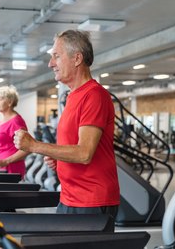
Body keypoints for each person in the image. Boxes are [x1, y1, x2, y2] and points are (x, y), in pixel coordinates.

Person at [13, 30, 120, 229]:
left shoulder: (94, 96)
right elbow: (74, 147)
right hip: (70, 196)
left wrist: (35, 146)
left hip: (91, 200)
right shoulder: (72, 96)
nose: (50, 63)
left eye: (56, 56)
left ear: (77, 58)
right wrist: (59, 159)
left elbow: (84, 153)